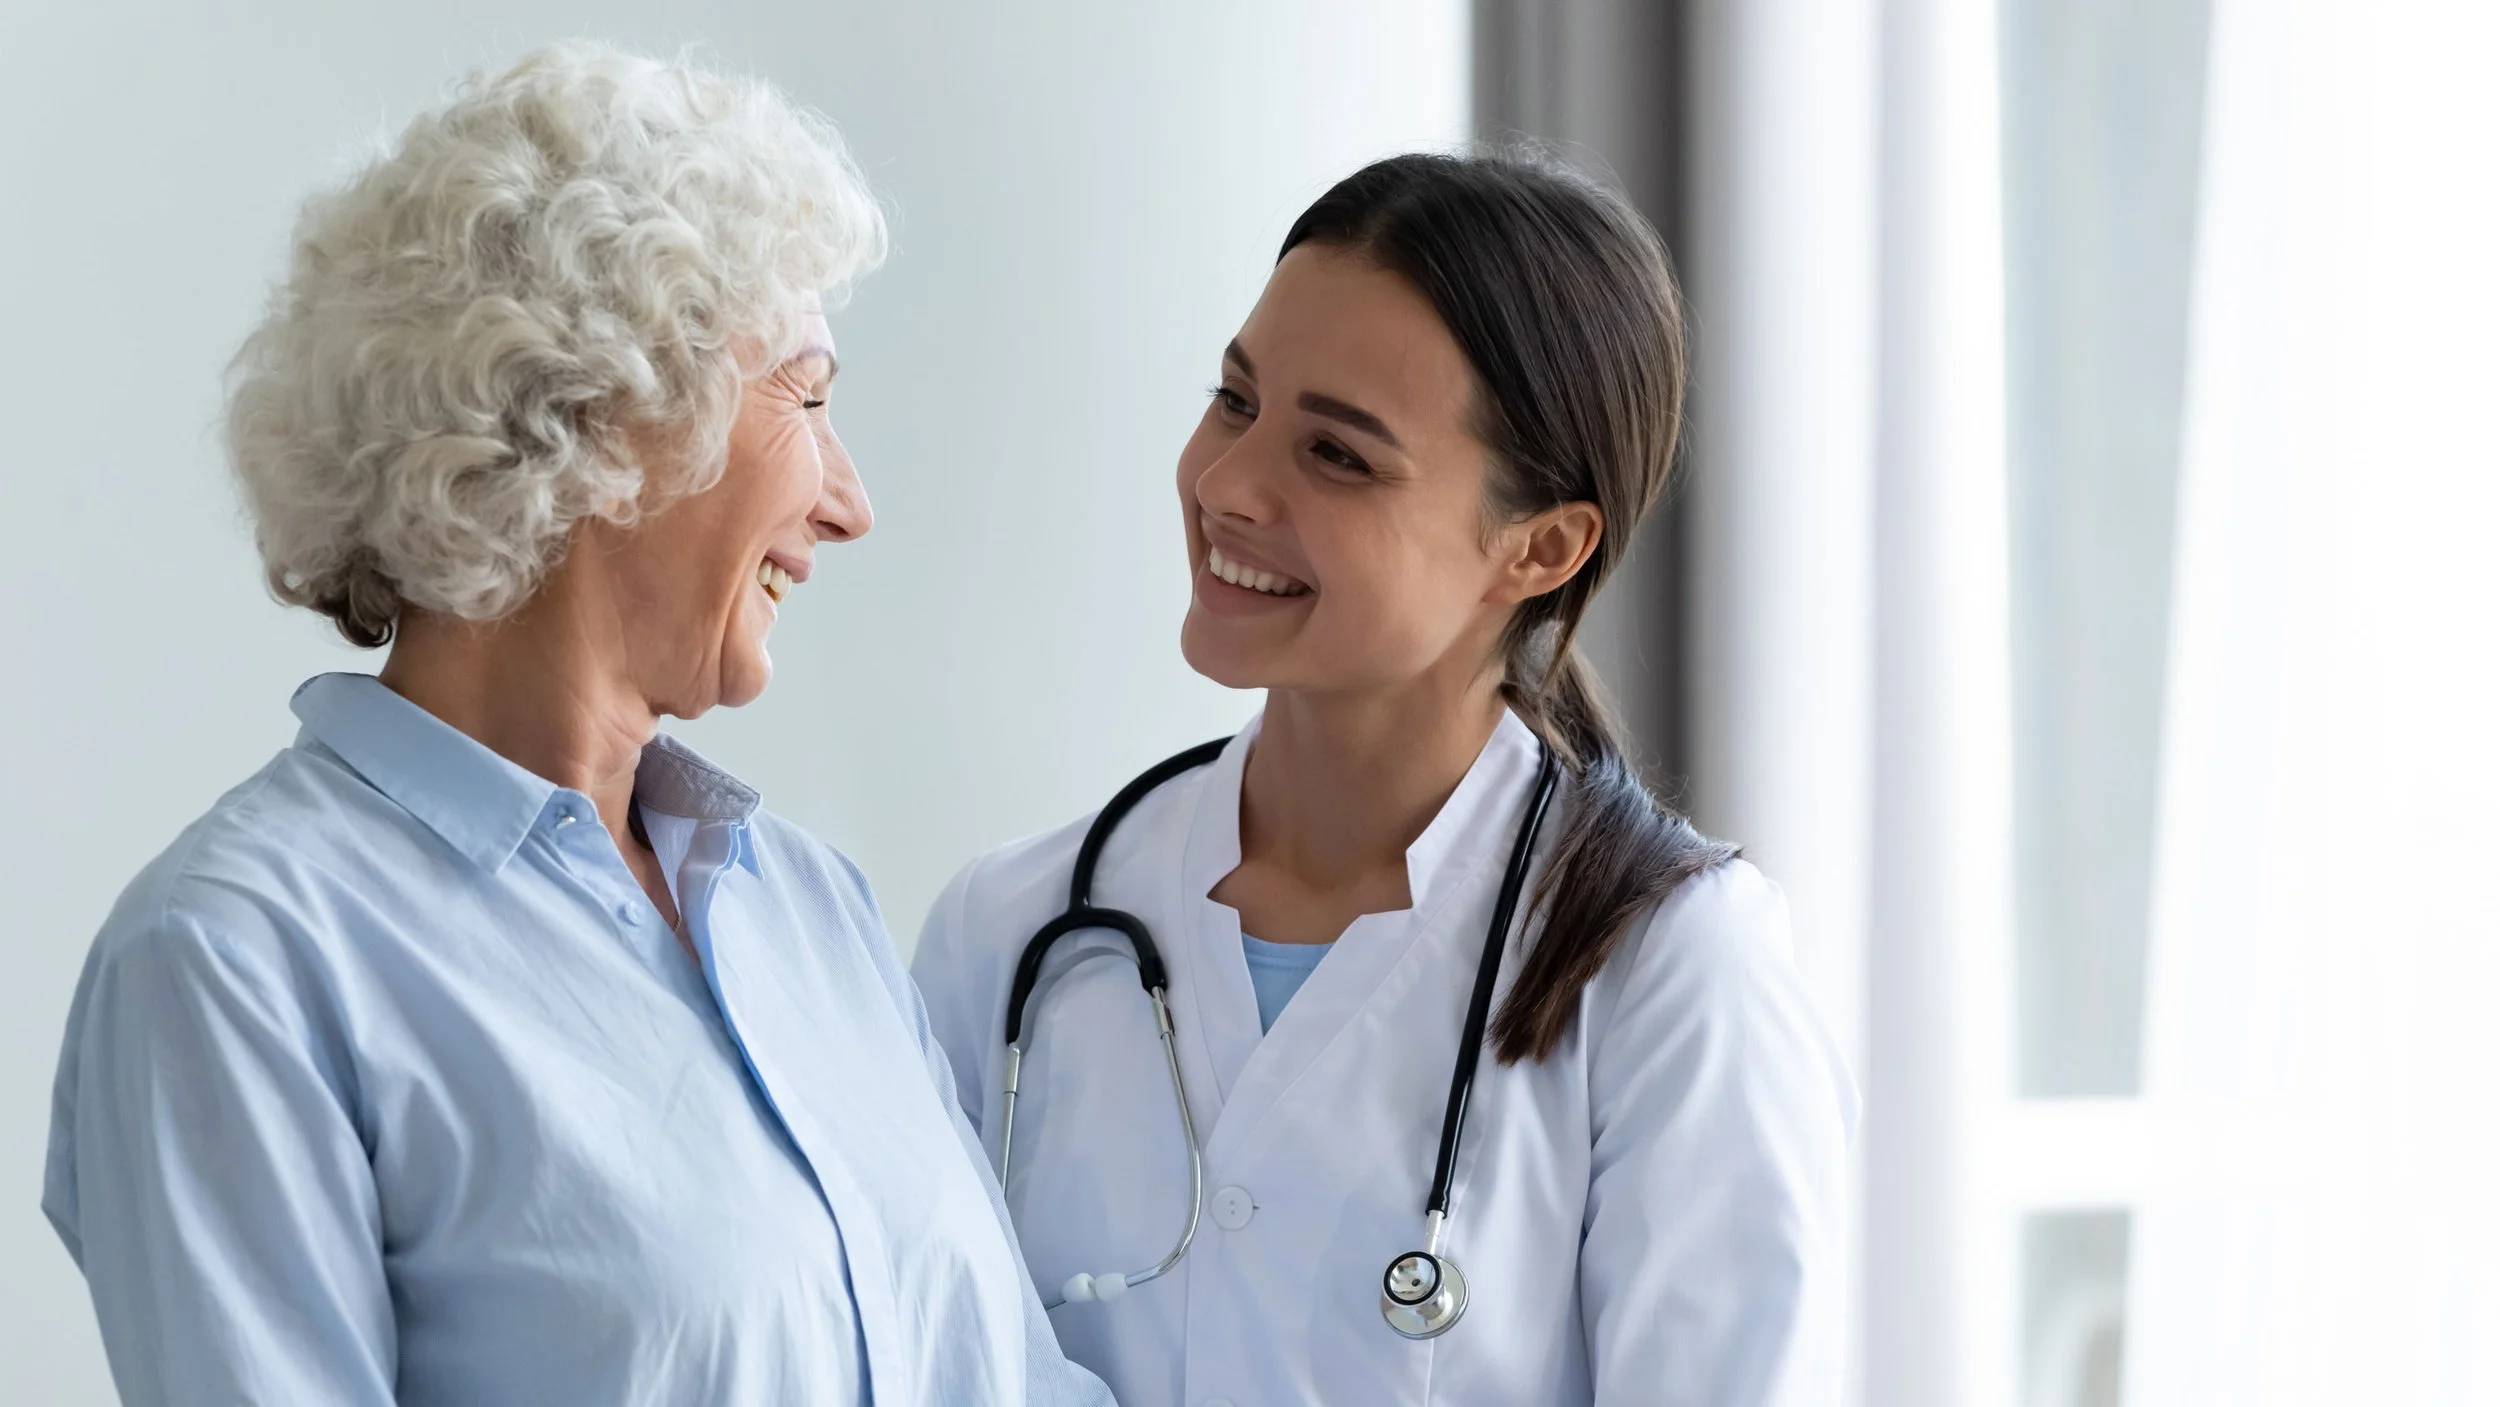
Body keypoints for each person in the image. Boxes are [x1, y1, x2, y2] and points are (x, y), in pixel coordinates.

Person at [41, 43, 1108, 1407]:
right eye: (812, 398)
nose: (849, 500)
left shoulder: (805, 905)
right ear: (608, 411)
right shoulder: (238, 958)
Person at [911, 151, 1859, 1405]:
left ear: (1538, 548)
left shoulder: (1673, 976)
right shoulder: (1012, 933)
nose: (1227, 485)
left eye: (1339, 457)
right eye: (1235, 401)